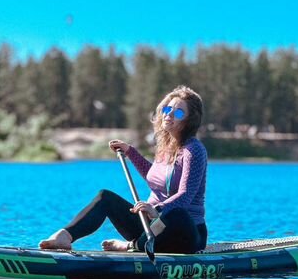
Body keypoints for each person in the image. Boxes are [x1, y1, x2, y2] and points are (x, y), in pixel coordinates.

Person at [39, 85, 208, 253]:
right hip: (151, 228)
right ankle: (65, 236)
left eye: (178, 112)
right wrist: (130, 152)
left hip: (185, 233)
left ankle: (131, 246)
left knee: (177, 214)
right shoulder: (165, 146)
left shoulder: (193, 150)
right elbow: (154, 177)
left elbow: (185, 195)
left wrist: (156, 209)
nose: (169, 114)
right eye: (168, 108)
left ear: (188, 120)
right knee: (105, 197)